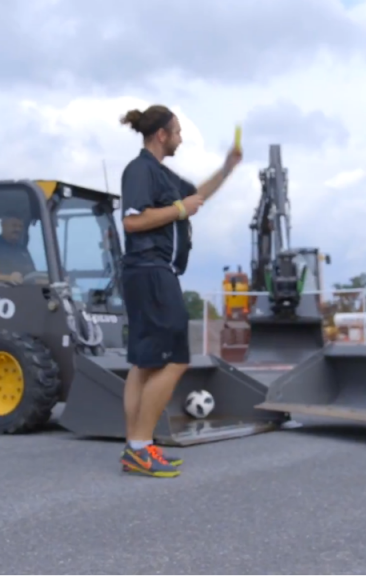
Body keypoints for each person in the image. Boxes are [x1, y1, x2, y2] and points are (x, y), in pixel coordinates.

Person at [116, 104, 242, 478]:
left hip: (150, 273)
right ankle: (140, 447)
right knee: (176, 359)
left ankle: (136, 446)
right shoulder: (139, 170)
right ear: (161, 135)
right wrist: (180, 211)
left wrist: (227, 169)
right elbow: (132, 220)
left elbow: (197, 196)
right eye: (178, 132)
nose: (181, 138)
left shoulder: (160, 174)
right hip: (152, 271)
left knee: (144, 364)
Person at [0, 212, 40, 284]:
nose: (18, 229)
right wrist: (9, 278)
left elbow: (33, 275)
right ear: (3, 225)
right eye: (14, 225)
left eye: (20, 226)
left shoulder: (23, 250)